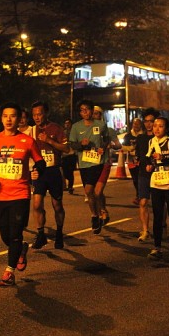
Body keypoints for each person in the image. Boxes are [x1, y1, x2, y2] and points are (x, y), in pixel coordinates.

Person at [0, 102, 46, 286]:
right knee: (5, 235)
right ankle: (20, 249)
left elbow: (40, 162)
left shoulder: (27, 141)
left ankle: (9, 272)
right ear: (1, 119)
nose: (8, 119)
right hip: (0, 195)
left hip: (20, 194)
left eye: (13, 116)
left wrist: (36, 171)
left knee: (16, 233)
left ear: (19, 119)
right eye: (5, 116)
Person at [140, 117, 169, 260]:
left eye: (161, 126)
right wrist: (149, 165)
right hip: (156, 183)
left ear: (166, 128)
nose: (157, 129)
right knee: (157, 216)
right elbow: (148, 158)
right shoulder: (151, 142)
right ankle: (157, 247)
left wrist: (163, 158)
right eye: (155, 126)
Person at [29, 101, 69, 249]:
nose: (37, 117)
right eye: (34, 115)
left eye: (39, 114)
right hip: (39, 172)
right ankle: (40, 234)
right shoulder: (32, 131)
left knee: (57, 205)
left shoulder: (56, 128)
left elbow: (66, 148)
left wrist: (49, 140)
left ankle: (59, 233)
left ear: (46, 113)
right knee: (37, 204)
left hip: (54, 171)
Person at [68, 100, 109, 235]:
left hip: (98, 163)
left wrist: (103, 147)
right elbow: (72, 145)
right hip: (84, 164)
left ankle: (95, 216)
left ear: (92, 110)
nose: (84, 112)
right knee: (90, 193)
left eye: (87, 109)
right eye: (82, 110)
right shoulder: (76, 127)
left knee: (90, 190)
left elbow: (106, 139)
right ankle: (96, 214)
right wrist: (81, 144)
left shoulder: (101, 125)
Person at [92, 106, 122, 225]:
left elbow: (118, 145)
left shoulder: (109, 130)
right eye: (92, 113)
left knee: (98, 191)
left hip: (104, 163)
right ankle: (100, 210)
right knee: (94, 192)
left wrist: (111, 145)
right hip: (90, 164)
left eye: (96, 114)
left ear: (101, 116)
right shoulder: (87, 130)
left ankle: (102, 211)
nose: (94, 116)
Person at [136, 107, 160, 242]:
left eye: (151, 121)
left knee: (159, 204)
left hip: (158, 174)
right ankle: (145, 230)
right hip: (143, 174)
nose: (148, 124)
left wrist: (154, 164)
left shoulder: (161, 139)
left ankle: (161, 225)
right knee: (143, 202)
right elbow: (139, 155)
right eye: (146, 121)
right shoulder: (141, 138)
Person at [121, 118, 143, 205]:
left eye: (138, 124)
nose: (136, 126)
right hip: (131, 161)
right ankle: (139, 195)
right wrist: (130, 148)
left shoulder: (143, 135)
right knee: (135, 179)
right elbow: (122, 147)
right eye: (134, 124)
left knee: (142, 178)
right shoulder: (128, 136)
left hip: (142, 161)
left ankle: (141, 196)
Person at [61, 119, 77, 195]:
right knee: (64, 172)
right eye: (65, 123)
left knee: (70, 171)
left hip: (72, 154)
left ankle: (70, 186)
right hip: (64, 155)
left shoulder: (74, 132)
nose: (67, 125)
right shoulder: (62, 133)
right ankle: (67, 184)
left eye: (68, 123)